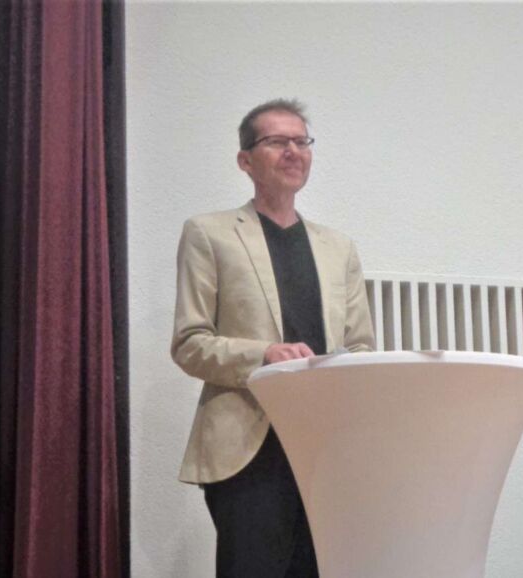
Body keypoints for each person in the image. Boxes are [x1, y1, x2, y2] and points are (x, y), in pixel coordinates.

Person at [171, 99, 375, 577]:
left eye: (302, 142)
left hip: (324, 445)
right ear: (245, 160)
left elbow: (361, 346)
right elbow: (189, 342)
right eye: (277, 141)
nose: (293, 151)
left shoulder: (339, 248)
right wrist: (264, 354)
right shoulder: (210, 234)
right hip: (248, 448)